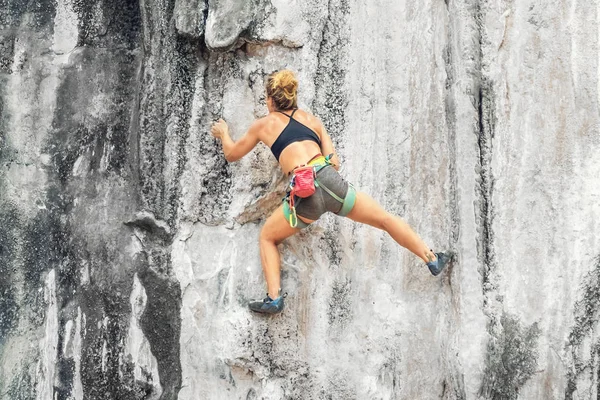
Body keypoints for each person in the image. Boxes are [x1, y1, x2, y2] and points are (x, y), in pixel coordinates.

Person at [210, 69, 453, 314]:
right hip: (331, 182)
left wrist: (223, 133)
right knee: (385, 219)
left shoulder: (264, 124)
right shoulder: (312, 120)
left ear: (271, 100)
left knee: (268, 237)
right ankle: (431, 258)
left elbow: (231, 154)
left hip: (306, 192)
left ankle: (273, 298)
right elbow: (334, 161)